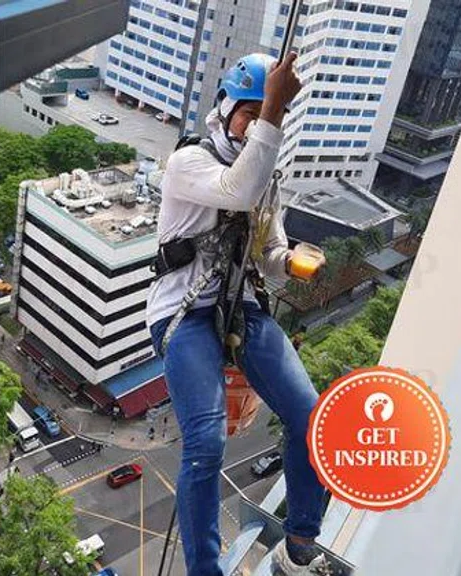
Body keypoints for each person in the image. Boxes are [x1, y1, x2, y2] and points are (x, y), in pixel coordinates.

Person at [147, 54, 330, 575]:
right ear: (225, 109)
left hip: (238, 308)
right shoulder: (189, 163)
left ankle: (301, 537)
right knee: (206, 441)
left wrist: (291, 263)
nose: (255, 123)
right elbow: (237, 190)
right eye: (248, 112)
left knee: (311, 417)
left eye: (264, 112)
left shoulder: (267, 178)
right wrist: (274, 107)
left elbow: (270, 253)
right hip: (183, 314)